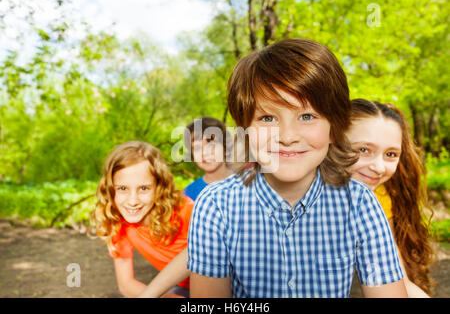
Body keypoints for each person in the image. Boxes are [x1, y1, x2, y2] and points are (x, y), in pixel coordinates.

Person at [187, 37, 407, 298]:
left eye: (307, 116)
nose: (287, 136)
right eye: (267, 118)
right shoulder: (215, 205)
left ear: (333, 129)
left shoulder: (359, 203)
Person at [347, 98, 436, 297]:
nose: (378, 168)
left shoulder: (376, 198)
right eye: (363, 150)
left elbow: (397, 282)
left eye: (390, 154)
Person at [91, 141, 192, 298]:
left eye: (143, 188)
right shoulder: (118, 223)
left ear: (159, 187)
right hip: (179, 290)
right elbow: (126, 285)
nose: (133, 201)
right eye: (123, 189)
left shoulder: (187, 211)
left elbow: (201, 253)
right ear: (111, 189)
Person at [183, 116, 232, 201]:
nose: (204, 153)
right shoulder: (189, 194)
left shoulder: (249, 183)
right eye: (197, 148)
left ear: (226, 149)